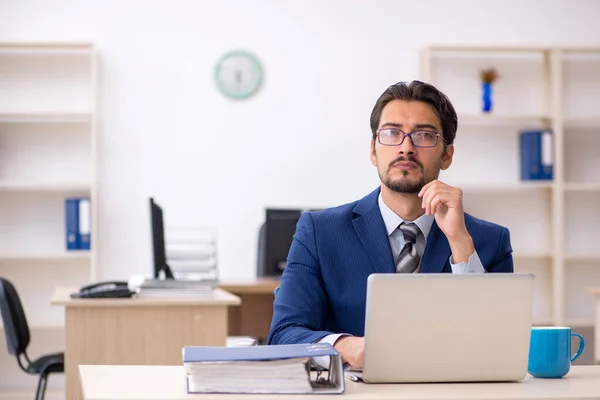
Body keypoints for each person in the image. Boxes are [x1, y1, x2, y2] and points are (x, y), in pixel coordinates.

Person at [266, 80, 514, 369]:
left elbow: (498, 343)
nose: (406, 148)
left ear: (447, 155)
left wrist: (460, 244)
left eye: (423, 135)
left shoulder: (489, 240)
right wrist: (344, 346)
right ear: (373, 150)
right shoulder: (319, 232)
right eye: (392, 133)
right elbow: (284, 335)